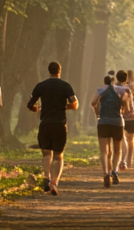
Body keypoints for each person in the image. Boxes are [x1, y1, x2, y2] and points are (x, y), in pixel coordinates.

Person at [26, 60, 78, 196]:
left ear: (48, 71)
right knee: (58, 155)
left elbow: (30, 104)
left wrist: (37, 109)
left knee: (46, 154)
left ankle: (46, 177)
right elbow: (74, 104)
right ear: (59, 71)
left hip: (45, 123)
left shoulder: (41, 86)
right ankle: (54, 183)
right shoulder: (66, 86)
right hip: (60, 123)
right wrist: (65, 106)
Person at [92, 75, 129, 187]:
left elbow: (93, 102)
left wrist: (97, 111)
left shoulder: (100, 90)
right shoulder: (121, 90)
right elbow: (126, 104)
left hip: (103, 122)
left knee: (104, 151)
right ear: (114, 82)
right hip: (117, 122)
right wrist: (122, 110)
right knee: (117, 150)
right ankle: (115, 171)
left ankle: (106, 173)